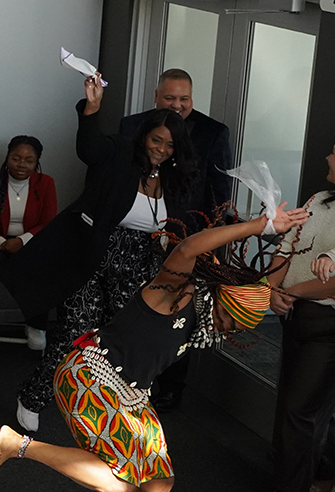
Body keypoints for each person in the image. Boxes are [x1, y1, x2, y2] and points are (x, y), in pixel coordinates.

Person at [0, 201, 308, 492]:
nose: (227, 331)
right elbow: (188, 249)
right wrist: (260, 225)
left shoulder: (206, 315)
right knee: (121, 484)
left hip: (131, 395)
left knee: (158, 484)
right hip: (90, 377)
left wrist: (286, 240)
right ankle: (19, 445)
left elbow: (259, 287)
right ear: (221, 301)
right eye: (228, 321)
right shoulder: (172, 290)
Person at [4, 73, 197, 433]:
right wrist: (91, 109)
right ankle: (33, 396)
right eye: (156, 140)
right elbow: (90, 149)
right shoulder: (122, 153)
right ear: (145, 137)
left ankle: (104, 409)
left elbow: (183, 225)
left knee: (122, 338)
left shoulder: (176, 177)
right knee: (75, 329)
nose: (161, 149)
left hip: (141, 262)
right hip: (94, 252)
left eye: (170, 146)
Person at [120, 68, 234, 412]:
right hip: (130, 239)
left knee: (176, 314)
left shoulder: (214, 133)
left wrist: (208, 245)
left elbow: (219, 195)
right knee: (128, 310)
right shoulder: (131, 126)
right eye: (170, 98)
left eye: (184, 99)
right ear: (156, 98)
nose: (178, 105)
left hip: (185, 242)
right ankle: (121, 380)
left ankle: (169, 389)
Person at [245, 130, 335, 492]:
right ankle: (323, 482)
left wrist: (296, 293)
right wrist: (271, 291)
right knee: (317, 407)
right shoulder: (319, 200)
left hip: (334, 324)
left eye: (334, 152)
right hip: (296, 315)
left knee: (300, 408)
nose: (327, 157)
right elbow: (286, 248)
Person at [0, 135, 58, 350]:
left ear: (37, 162)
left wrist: (22, 241)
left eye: (28, 160)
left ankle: (35, 325)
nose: (22, 165)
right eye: (16, 158)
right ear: (7, 157)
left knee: (43, 262)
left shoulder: (46, 184)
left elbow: (48, 221)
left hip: (28, 242)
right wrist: (0, 242)